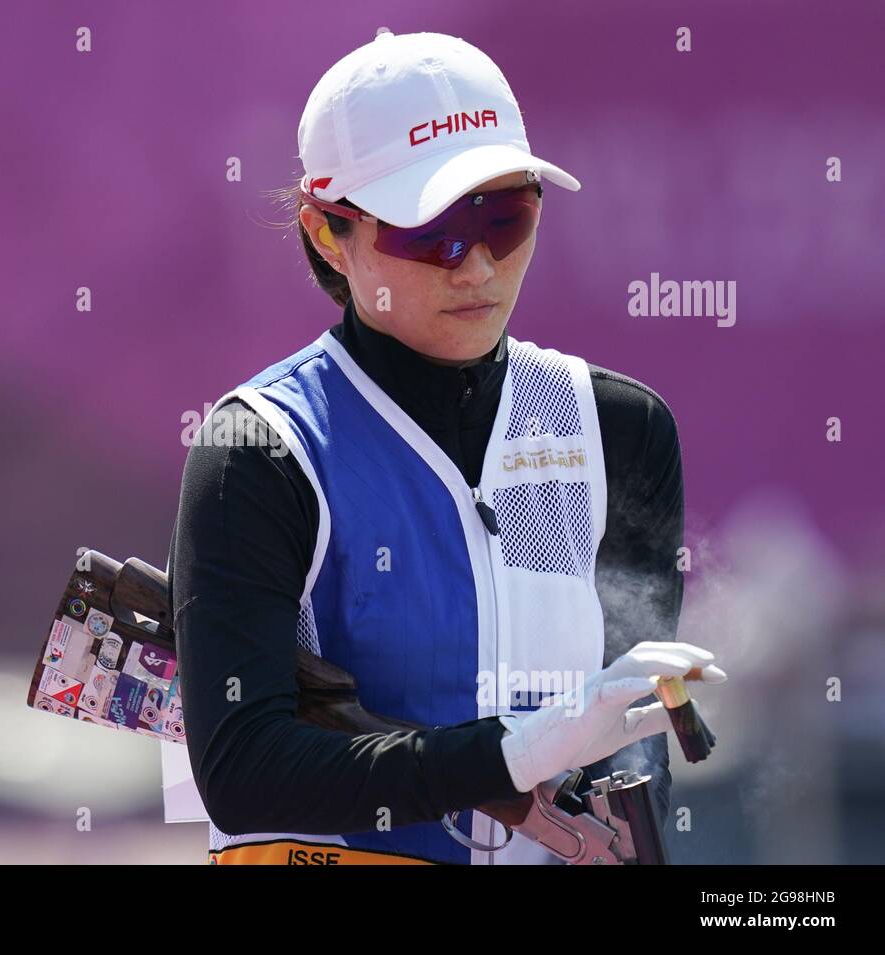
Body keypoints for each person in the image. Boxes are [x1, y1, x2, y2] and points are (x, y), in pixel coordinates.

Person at [167, 30, 725, 865]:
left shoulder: (622, 430)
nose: (478, 269)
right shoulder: (260, 446)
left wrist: (626, 794)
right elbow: (240, 768)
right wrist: (506, 755)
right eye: (433, 232)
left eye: (506, 216)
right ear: (328, 234)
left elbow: (629, 729)